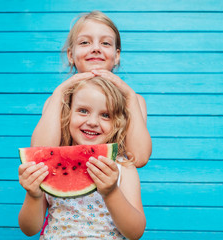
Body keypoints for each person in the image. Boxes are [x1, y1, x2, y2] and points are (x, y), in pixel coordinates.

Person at [18, 76, 146, 239]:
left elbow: (135, 232)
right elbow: (29, 229)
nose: (92, 122)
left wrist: (111, 192)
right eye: (83, 111)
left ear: (117, 124)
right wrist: (33, 195)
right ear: (67, 114)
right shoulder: (50, 166)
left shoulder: (123, 167)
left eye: (105, 115)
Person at [31, 10, 152, 168]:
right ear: (70, 55)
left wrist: (129, 95)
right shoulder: (57, 99)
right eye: (85, 42)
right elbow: (41, 154)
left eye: (105, 43)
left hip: (115, 189)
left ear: (116, 56)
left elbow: (139, 158)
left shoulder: (133, 100)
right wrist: (59, 93)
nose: (96, 48)